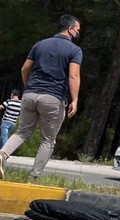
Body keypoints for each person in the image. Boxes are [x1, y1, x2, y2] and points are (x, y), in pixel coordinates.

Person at [0, 14, 82, 181]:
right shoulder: (74, 50)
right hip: (53, 98)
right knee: (47, 140)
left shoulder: (40, 44)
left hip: (29, 95)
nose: (78, 34)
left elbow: (25, 69)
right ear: (70, 29)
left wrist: (29, 87)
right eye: (78, 30)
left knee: (22, 132)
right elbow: (73, 76)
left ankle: (2, 155)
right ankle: (33, 177)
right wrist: (74, 99)